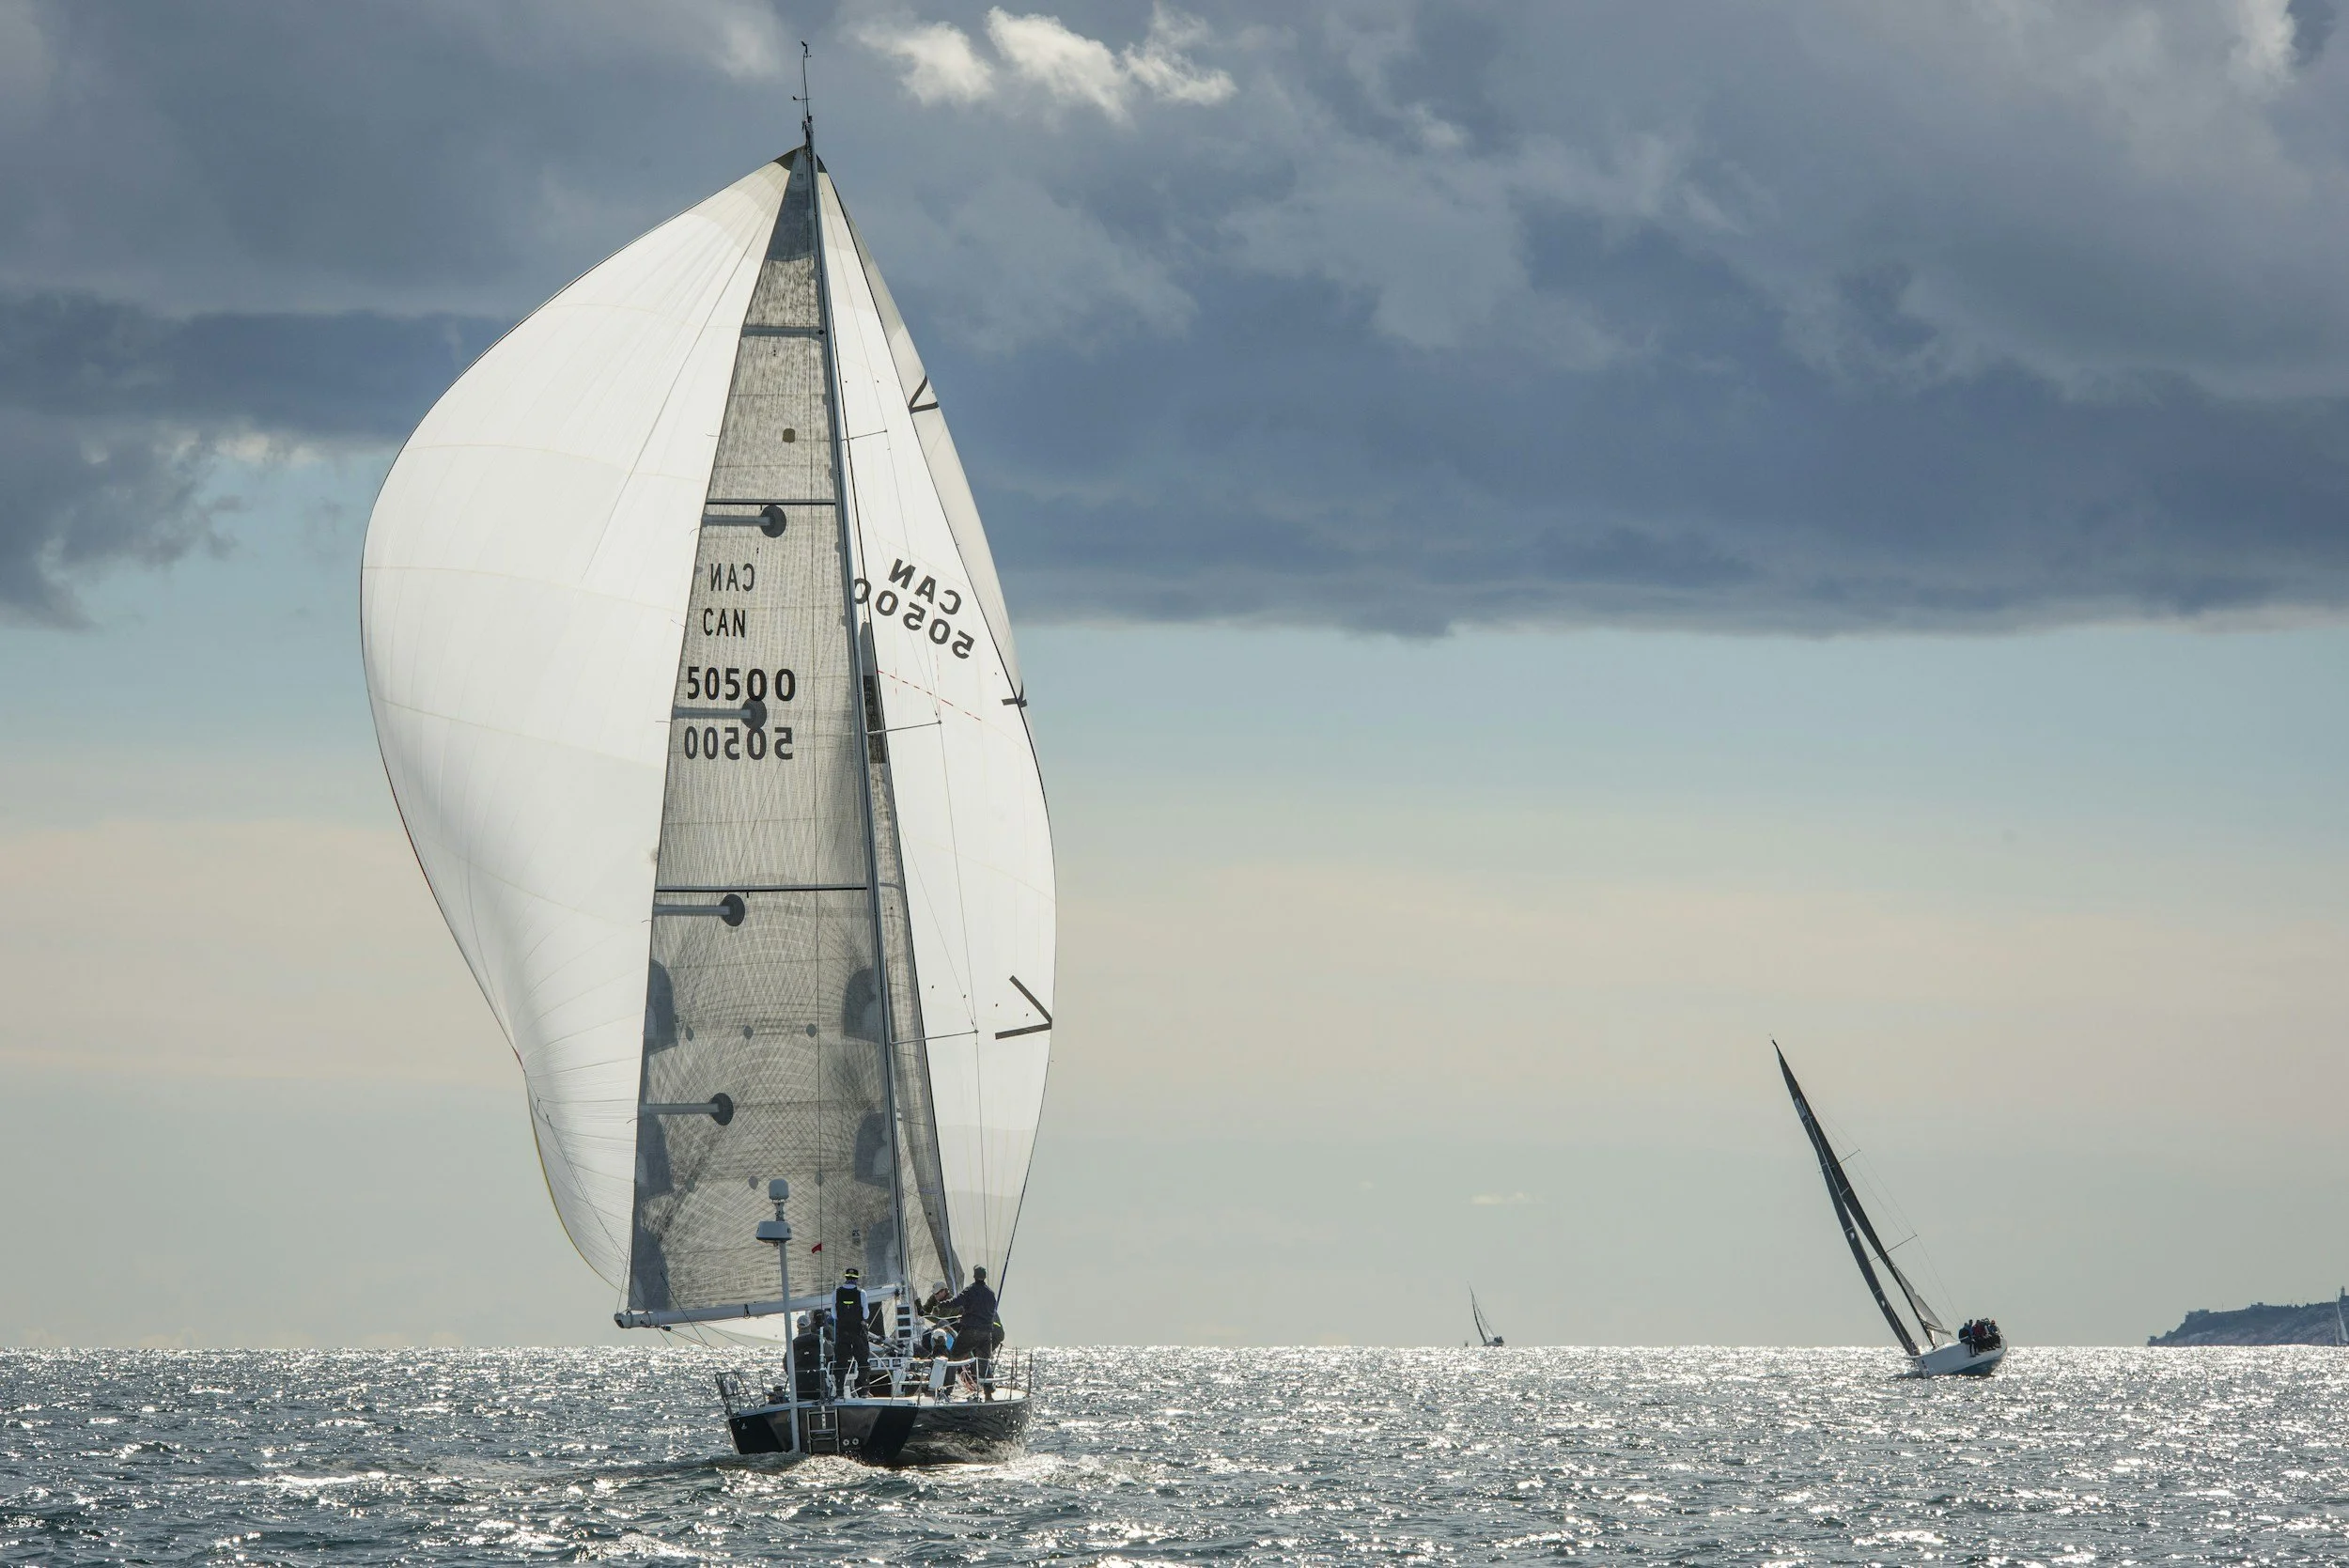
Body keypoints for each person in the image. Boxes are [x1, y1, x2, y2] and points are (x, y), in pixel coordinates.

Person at [947, 1267, 1000, 1398]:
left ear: (974, 1276)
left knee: (953, 1358)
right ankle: (988, 1393)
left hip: (971, 1331)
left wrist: (940, 1304)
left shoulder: (970, 1290)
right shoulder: (991, 1294)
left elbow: (956, 1302)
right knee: (984, 1361)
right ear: (985, 1276)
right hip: (986, 1333)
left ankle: (946, 1388)